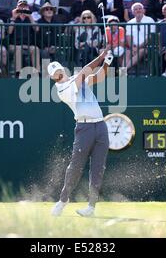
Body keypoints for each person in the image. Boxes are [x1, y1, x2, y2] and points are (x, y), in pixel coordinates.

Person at [49, 48, 113, 218]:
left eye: (59, 69)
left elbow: (100, 76)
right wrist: (101, 56)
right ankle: (63, 201)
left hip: (100, 126)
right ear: (53, 77)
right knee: (75, 168)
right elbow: (85, 72)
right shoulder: (62, 90)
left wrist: (107, 62)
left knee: (98, 168)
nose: (58, 72)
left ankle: (91, 207)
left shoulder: (77, 81)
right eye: (55, 72)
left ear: (63, 69)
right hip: (84, 129)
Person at [8, 0, 40, 75]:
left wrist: (30, 16)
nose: (22, 8)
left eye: (24, 6)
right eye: (20, 6)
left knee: (35, 49)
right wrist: (14, 18)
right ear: (16, 8)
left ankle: (37, 72)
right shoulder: (12, 19)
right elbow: (9, 31)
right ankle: (18, 72)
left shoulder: (30, 19)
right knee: (18, 48)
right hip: (14, 45)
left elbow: (37, 29)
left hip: (28, 45)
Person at [125, 2, 155, 70]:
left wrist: (138, 47)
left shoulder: (150, 20)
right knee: (127, 52)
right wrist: (132, 48)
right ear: (132, 12)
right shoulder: (130, 23)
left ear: (143, 10)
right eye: (136, 9)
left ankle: (123, 71)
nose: (138, 10)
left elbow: (150, 37)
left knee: (141, 51)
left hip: (148, 47)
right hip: (134, 47)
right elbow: (129, 37)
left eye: (140, 8)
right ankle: (123, 76)